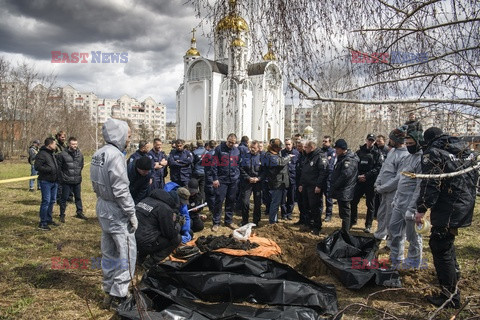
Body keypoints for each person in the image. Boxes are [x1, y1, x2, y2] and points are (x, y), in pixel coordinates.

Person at [415, 127, 477, 308]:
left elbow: (430, 183)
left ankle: (450, 296)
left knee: (439, 244)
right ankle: (453, 276)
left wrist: (422, 208)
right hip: (465, 203)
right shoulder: (466, 151)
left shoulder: (434, 153)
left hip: (448, 206)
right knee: (447, 242)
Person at [90, 118, 137, 309]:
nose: (129, 139)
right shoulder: (116, 156)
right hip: (117, 211)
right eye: (128, 135)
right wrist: (131, 213)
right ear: (119, 134)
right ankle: (120, 293)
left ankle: (108, 289)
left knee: (108, 252)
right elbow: (121, 189)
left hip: (103, 206)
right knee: (126, 252)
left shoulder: (98, 153)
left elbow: (94, 182)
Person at [389, 129, 424, 269]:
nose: (408, 145)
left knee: (413, 236)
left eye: (411, 143)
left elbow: (420, 186)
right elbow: (401, 179)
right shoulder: (407, 158)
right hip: (399, 202)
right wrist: (396, 198)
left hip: (411, 203)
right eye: (407, 143)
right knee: (394, 230)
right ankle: (396, 258)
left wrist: (413, 208)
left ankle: (413, 263)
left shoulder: (421, 160)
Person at [374, 126, 409, 248]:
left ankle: (391, 243)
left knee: (391, 217)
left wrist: (383, 187)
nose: (390, 141)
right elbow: (384, 168)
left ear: (397, 140)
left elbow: (398, 178)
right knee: (382, 214)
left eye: (391, 139)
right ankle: (379, 235)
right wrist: (378, 183)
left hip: (393, 192)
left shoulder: (405, 156)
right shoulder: (392, 151)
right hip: (383, 190)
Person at [135, 188, 182, 268]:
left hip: (132, 240)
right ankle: (149, 264)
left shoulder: (146, 199)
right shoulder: (165, 208)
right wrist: (177, 224)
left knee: (149, 232)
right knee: (177, 239)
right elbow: (170, 233)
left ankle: (140, 259)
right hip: (145, 243)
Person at [350, 134, 383, 233]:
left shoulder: (377, 153)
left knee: (370, 204)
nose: (371, 142)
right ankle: (353, 220)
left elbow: (378, 167)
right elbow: (353, 165)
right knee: (354, 201)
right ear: (366, 140)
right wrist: (358, 176)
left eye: (373, 141)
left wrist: (366, 176)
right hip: (359, 181)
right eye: (369, 140)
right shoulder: (359, 152)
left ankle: (368, 225)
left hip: (370, 181)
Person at [298, 140, 329, 235]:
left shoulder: (320, 156)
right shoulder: (307, 156)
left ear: (311, 147)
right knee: (306, 206)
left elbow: (323, 172)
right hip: (306, 185)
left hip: (314, 187)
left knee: (314, 207)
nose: (304, 149)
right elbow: (304, 171)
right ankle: (308, 224)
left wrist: (319, 185)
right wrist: (301, 184)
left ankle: (317, 226)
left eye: (306, 147)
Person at [211, 133, 241, 231]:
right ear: (226, 140)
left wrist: (237, 175)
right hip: (221, 180)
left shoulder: (236, 150)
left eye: (233, 143)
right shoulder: (219, 149)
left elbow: (238, 164)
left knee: (231, 200)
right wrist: (215, 178)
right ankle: (216, 222)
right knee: (219, 200)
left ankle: (228, 221)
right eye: (230, 142)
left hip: (233, 180)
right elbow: (214, 164)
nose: (231, 144)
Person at [329, 139, 358, 233]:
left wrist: (335, 185)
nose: (336, 150)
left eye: (337, 148)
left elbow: (345, 175)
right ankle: (344, 229)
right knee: (343, 212)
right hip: (341, 190)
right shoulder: (342, 158)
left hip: (345, 190)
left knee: (345, 213)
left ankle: (345, 231)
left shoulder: (348, 160)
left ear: (343, 149)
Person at [260, 139, 292, 225]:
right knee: (275, 202)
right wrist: (288, 157)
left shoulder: (274, 154)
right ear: (275, 148)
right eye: (279, 148)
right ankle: (272, 221)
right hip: (276, 182)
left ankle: (274, 220)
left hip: (279, 181)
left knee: (276, 202)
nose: (280, 149)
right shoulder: (270, 155)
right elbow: (280, 162)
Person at [57, 137, 86, 223]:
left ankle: (79, 212)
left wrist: (77, 175)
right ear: (69, 144)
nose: (75, 146)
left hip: (77, 180)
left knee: (78, 198)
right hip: (66, 181)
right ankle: (62, 215)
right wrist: (63, 177)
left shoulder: (80, 155)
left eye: (76, 144)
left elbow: (81, 165)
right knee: (64, 198)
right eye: (73, 144)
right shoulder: (62, 154)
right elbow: (59, 167)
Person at [35, 137, 60, 230]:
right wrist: (49, 169)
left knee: (52, 201)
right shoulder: (42, 154)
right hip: (45, 181)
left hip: (54, 181)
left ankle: (49, 219)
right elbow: (37, 166)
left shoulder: (52, 154)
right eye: (54, 144)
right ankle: (42, 222)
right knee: (46, 201)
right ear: (49, 145)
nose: (55, 145)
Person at [239, 140, 262, 226]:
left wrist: (258, 178)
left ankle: (256, 221)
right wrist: (248, 178)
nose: (252, 149)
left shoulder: (262, 157)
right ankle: (245, 220)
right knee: (245, 202)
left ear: (258, 148)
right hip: (247, 182)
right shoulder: (245, 157)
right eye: (251, 147)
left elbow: (264, 171)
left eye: (254, 148)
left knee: (257, 202)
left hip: (258, 183)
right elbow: (241, 169)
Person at [280, 138, 300, 220]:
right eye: (286, 144)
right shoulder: (282, 153)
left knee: (291, 198)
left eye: (289, 144)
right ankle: (284, 214)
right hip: (284, 179)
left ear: (292, 144)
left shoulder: (296, 153)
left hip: (293, 179)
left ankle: (289, 213)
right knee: (283, 198)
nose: (288, 146)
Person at [320, 135, 336, 222]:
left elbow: (330, 164)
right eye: (323, 141)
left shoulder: (332, 151)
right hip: (320, 176)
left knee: (328, 197)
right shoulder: (320, 151)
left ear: (330, 142)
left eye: (325, 141)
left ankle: (328, 214)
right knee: (319, 197)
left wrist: (326, 159)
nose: (324, 143)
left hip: (328, 177)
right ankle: (319, 212)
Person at [294, 140, 307, 225]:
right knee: (300, 202)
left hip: (304, 182)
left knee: (305, 202)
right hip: (298, 181)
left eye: (300, 146)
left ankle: (306, 220)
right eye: (297, 146)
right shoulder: (300, 155)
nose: (298, 148)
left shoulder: (307, 156)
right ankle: (301, 219)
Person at [203, 140, 217, 212]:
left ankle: (213, 210)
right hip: (216, 177)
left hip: (209, 176)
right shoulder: (218, 154)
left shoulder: (208, 155)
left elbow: (204, 165)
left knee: (210, 194)